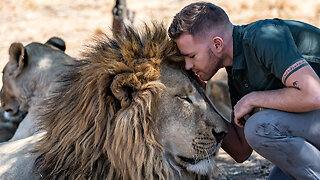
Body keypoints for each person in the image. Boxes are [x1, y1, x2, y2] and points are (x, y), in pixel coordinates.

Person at [168, 2, 320, 180]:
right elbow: (241, 151)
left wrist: (253, 99)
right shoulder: (237, 71)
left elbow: (314, 94)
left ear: (217, 44)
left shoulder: (265, 36)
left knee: (259, 126)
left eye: (191, 56)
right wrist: (201, 99)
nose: (188, 65)